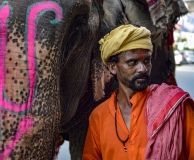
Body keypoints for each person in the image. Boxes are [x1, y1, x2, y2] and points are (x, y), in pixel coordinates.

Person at [82, 24, 194, 160]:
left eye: (146, 61)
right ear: (112, 67)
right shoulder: (98, 116)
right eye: (132, 62)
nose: (142, 68)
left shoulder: (174, 107)